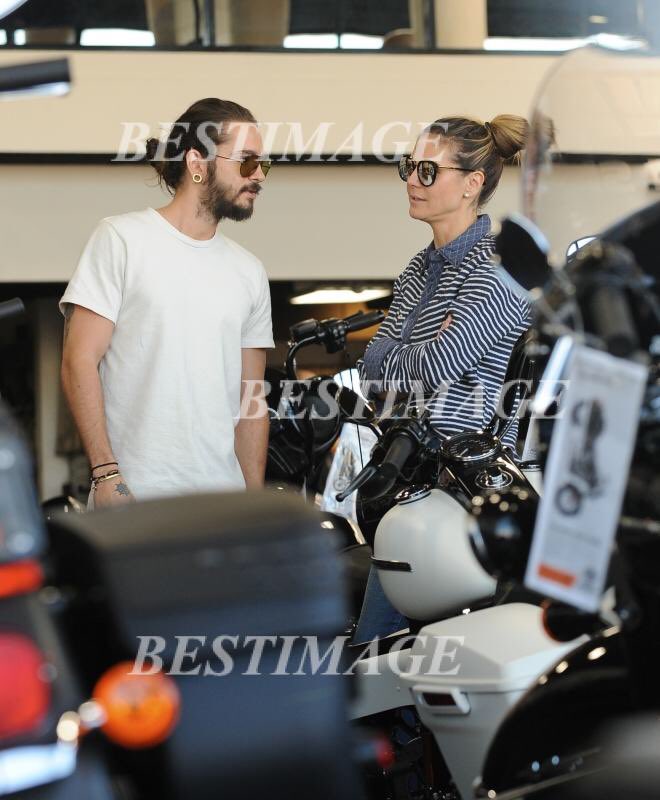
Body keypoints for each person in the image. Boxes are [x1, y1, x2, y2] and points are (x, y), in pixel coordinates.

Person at [354, 114, 532, 643]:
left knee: (381, 661)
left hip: (463, 500)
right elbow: (371, 374)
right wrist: (411, 353)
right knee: (388, 666)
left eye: (428, 170)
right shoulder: (417, 270)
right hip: (408, 489)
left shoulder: (499, 270)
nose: (412, 179)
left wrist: (403, 355)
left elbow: (430, 369)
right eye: (410, 167)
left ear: (472, 183)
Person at [60, 98, 274, 509]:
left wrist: (254, 506)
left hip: (222, 507)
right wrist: (106, 474)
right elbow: (78, 361)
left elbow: (252, 401)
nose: (259, 175)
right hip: (134, 499)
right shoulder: (120, 239)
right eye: (247, 162)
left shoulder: (249, 271)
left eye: (264, 164)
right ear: (198, 160)